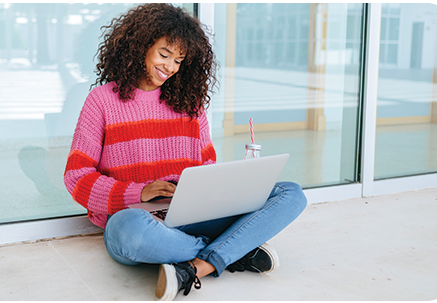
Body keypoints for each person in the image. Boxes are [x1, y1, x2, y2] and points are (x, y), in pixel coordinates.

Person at [63, 3, 307, 301]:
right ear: (139, 45)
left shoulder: (189, 103)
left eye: (179, 60)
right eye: (164, 54)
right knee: (128, 231)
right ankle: (232, 251)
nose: (170, 67)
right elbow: (77, 178)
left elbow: (207, 164)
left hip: (192, 215)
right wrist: (138, 193)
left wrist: (215, 190)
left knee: (291, 193)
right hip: (138, 218)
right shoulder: (101, 101)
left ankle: (196, 267)